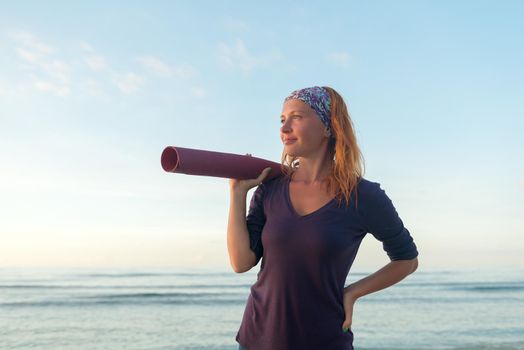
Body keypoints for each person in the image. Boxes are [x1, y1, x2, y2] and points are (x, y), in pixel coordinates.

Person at [227, 86, 419, 350]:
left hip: (324, 339)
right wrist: (237, 194)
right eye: (282, 120)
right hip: (257, 339)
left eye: (297, 117)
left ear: (329, 127)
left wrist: (352, 292)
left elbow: (407, 260)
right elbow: (241, 261)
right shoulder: (270, 188)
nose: (284, 128)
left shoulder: (363, 196)